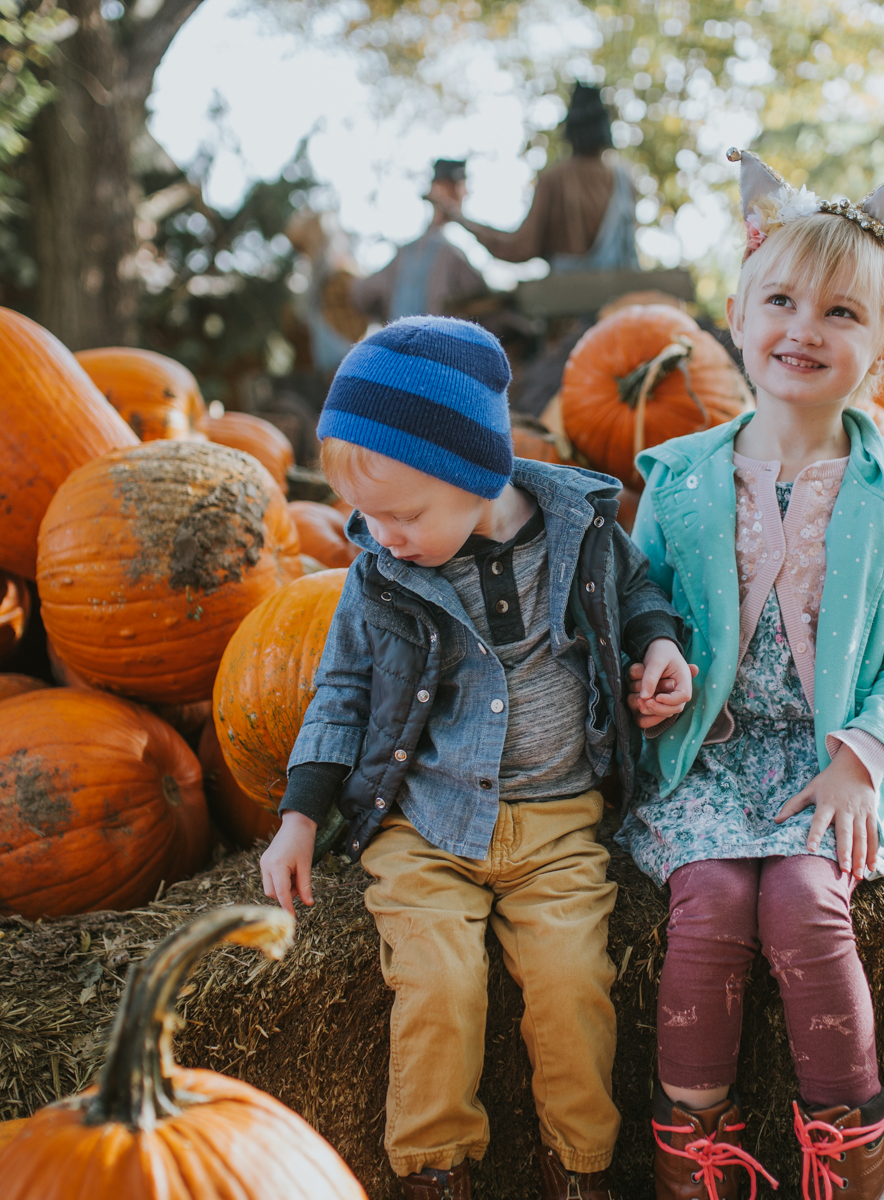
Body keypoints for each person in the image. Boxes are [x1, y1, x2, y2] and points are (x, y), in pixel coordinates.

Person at [257, 314, 694, 1200]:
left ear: (479, 474)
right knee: (439, 984)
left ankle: (581, 1170)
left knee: (574, 985)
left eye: (404, 514)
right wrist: (300, 814)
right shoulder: (381, 571)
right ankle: (435, 1173)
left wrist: (658, 643)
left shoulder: (579, 528)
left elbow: (639, 586)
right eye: (369, 517)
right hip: (425, 827)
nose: (381, 536)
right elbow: (341, 689)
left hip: (559, 823)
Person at [619, 149, 884, 1200]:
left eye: (843, 313)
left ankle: (852, 1151)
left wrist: (864, 756)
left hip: (830, 758)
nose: (805, 327)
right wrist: (657, 657)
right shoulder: (675, 476)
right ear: (735, 315)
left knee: (806, 904)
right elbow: (642, 603)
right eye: (782, 300)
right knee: (711, 902)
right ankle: (696, 1149)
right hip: (710, 759)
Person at [441, 84, 639, 273]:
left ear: (571, 133)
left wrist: (460, 219)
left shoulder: (555, 180)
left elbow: (519, 247)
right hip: (622, 302)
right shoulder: (623, 180)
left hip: (564, 303)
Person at [351, 159, 490, 323]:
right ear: (441, 189)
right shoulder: (447, 256)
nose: (465, 194)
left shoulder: (409, 255)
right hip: (438, 347)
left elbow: (362, 294)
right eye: (459, 187)